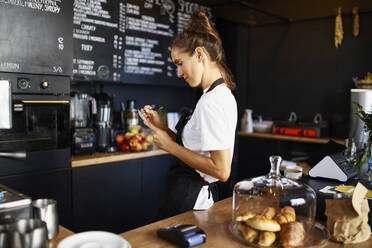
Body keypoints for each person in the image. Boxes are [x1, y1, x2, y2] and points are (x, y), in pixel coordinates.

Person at [141, 10, 237, 219]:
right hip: (188, 198)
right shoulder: (219, 94)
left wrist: (170, 147)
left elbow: (221, 171)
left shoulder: (211, 102)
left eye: (180, 63)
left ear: (200, 55)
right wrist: (163, 128)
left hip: (191, 202)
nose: (178, 73)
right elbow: (197, 149)